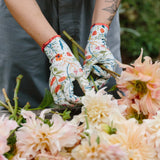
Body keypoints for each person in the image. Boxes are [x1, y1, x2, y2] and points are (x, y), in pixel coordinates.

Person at [0, 0, 121, 108]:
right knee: (24, 98)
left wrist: (98, 35)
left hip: (97, 11)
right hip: (24, 10)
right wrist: (55, 50)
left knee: (107, 97)